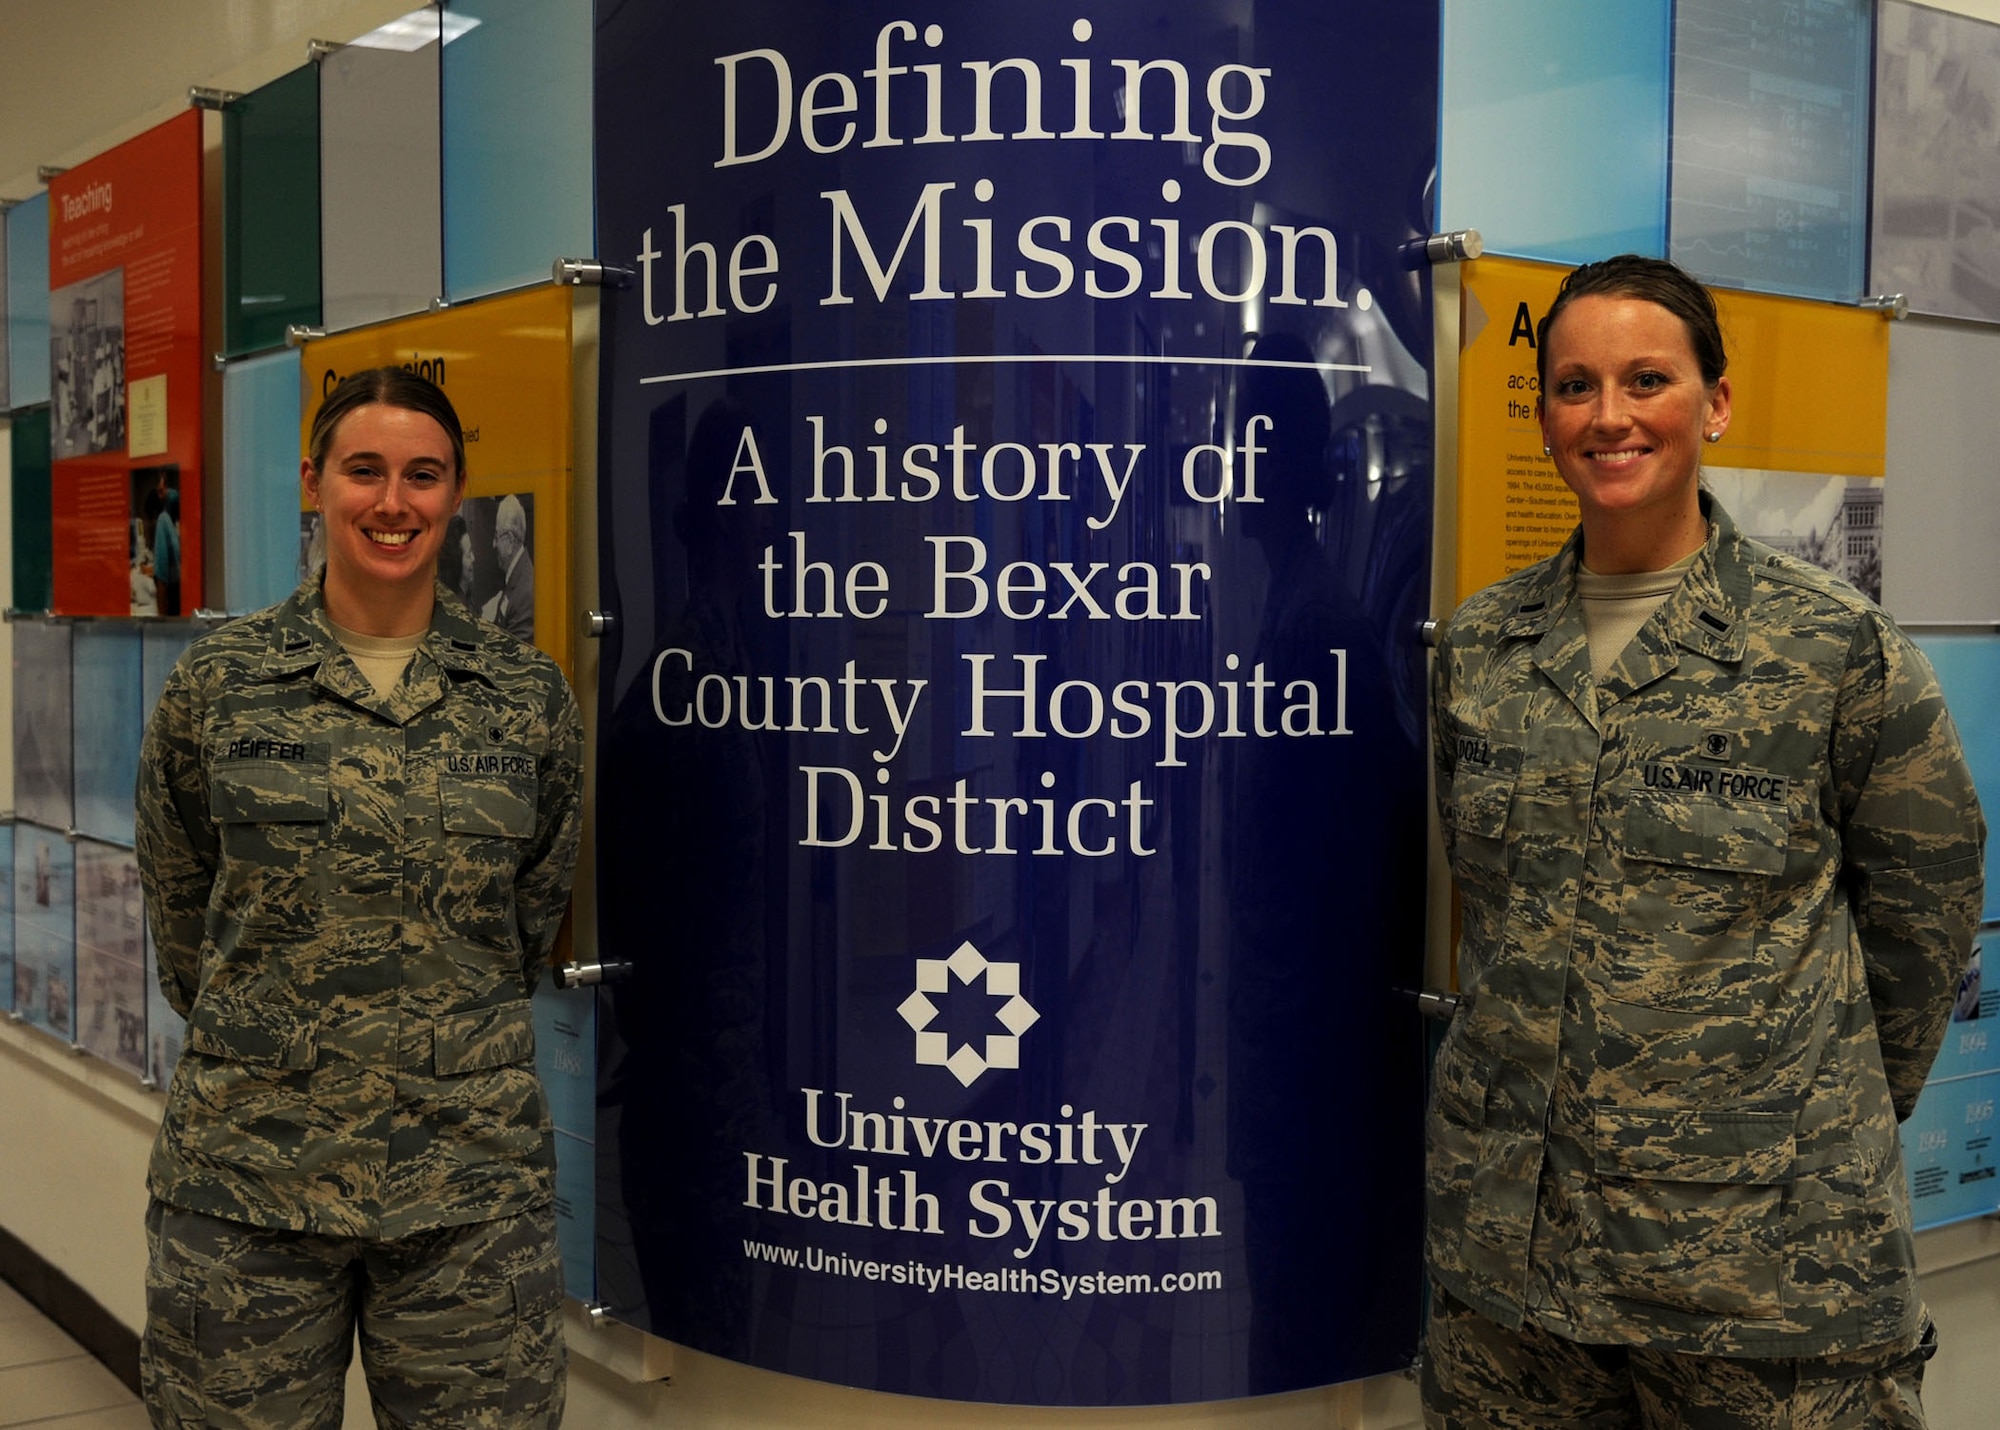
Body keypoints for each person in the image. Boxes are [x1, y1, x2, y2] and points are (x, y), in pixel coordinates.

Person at [1425, 255, 1984, 1429]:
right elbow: (1494, 917)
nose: (1608, 414)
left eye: (1646, 378)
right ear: (1541, 417)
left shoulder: (1832, 650)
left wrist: (1789, 1118)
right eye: (1573, 385)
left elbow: (1921, 922)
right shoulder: (1479, 650)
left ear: (1713, 403)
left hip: (1765, 1280)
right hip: (1513, 1281)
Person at [135, 368, 583, 1428]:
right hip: (248, 1180)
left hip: (467, 1186)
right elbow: (183, 918)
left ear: (455, 492)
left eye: (423, 475)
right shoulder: (220, 681)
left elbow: (527, 921)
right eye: (365, 470)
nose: (394, 502)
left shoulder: (525, 697)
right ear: (315, 481)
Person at [483, 493, 535, 642]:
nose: (494, 544)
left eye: (497, 536)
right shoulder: (518, 576)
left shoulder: (524, 594)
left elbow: (512, 656)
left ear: (511, 541)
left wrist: (487, 627)